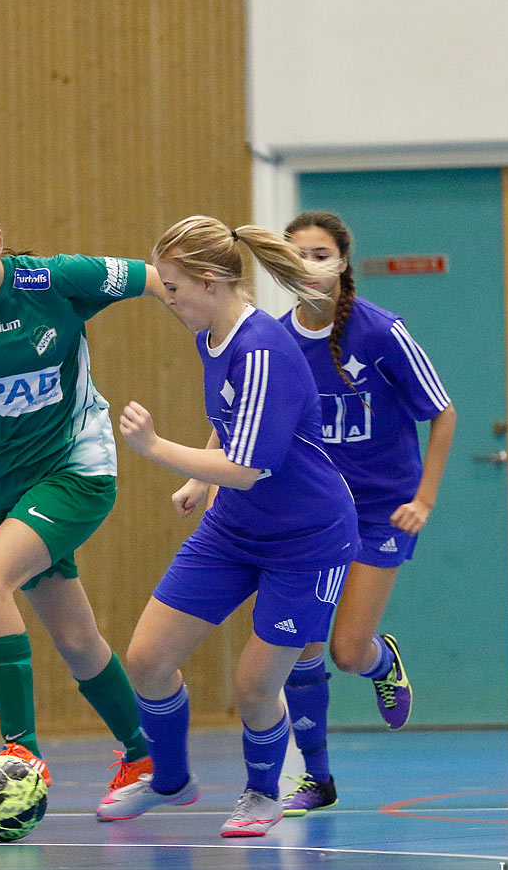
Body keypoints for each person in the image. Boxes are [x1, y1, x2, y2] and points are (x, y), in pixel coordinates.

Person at [94, 216, 359, 838]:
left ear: (211, 281)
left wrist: (158, 448)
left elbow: (245, 466)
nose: (167, 298)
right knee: (148, 659)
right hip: (236, 530)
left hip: (308, 539)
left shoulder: (261, 346)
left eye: (174, 287)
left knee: (253, 683)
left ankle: (263, 794)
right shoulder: (209, 332)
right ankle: (170, 780)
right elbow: (233, 416)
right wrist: (198, 480)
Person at [0, 192, 165, 792]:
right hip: (10, 494)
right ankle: (147, 756)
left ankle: (21, 753)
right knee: (76, 640)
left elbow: (155, 279)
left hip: (78, 470)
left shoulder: (54, 279)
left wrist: (218, 337)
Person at [276, 210, 455, 816]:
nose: (309, 265)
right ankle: (317, 779)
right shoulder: (273, 340)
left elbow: (443, 412)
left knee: (346, 652)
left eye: (321, 253)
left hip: (381, 513)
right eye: (296, 254)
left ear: (343, 264)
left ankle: (383, 660)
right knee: (300, 643)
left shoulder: (380, 332)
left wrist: (423, 498)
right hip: (314, 514)